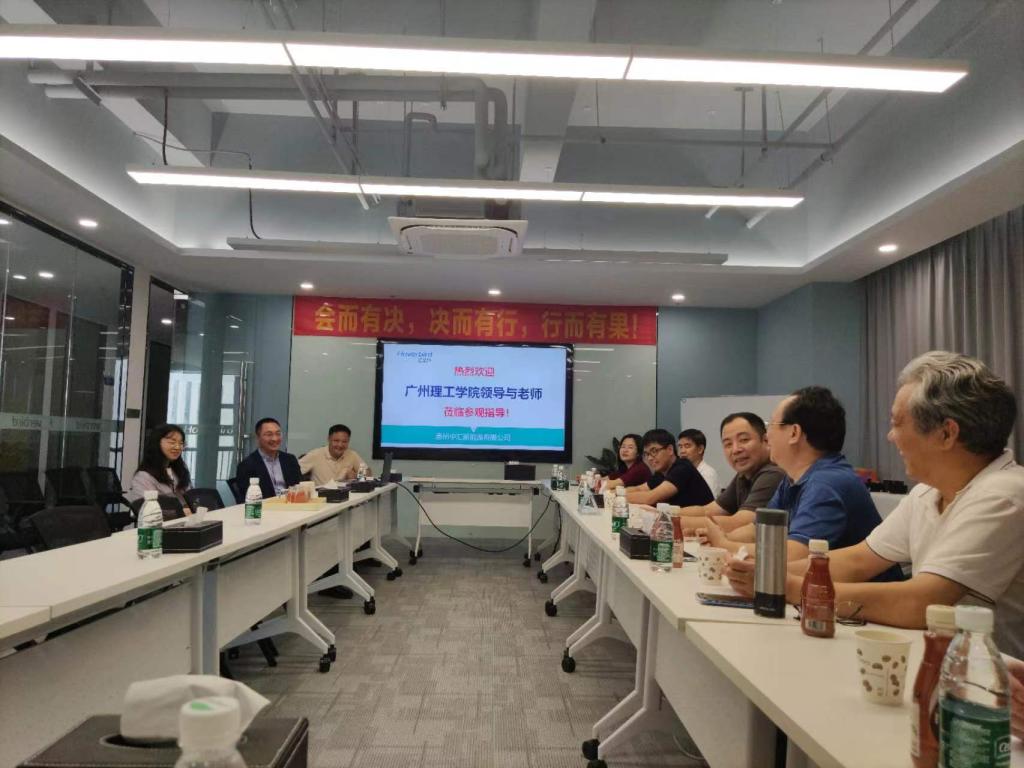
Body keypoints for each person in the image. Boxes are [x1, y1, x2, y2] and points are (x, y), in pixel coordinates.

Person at [725, 352, 1024, 658]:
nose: (890, 436)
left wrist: (786, 586)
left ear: (946, 433)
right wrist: (765, 572)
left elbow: (921, 603)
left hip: (990, 676)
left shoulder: (1002, 495)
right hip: (939, 659)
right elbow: (857, 560)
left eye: (897, 423)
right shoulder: (927, 493)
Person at [702, 387, 894, 568]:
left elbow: (795, 554)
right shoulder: (793, 479)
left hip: (852, 592)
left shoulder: (827, 483)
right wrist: (721, 537)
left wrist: (725, 545)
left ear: (794, 433)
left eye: (771, 426)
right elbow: (757, 530)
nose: (767, 436)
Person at [677, 413, 785, 533]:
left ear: (765, 440)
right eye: (728, 444)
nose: (735, 450)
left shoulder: (773, 473)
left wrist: (669, 521)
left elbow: (738, 523)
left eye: (744, 440)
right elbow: (708, 510)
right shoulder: (743, 475)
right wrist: (668, 512)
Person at [625, 429, 714, 507]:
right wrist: (619, 492)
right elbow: (640, 489)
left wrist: (620, 498)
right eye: (646, 454)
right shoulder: (661, 472)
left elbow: (650, 497)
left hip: (704, 519)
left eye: (654, 451)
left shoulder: (682, 467)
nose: (650, 458)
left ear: (670, 450)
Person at [235, 417, 302, 500]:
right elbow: (249, 498)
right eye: (269, 434)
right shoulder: (247, 465)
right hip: (265, 506)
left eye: (278, 434)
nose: (275, 439)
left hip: (292, 504)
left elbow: (300, 487)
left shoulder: (290, 460)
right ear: (258, 437)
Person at [129, 423, 192, 505]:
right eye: (172, 442)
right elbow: (145, 508)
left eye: (181, 443)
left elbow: (191, 499)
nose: (177, 447)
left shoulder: (181, 470)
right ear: (157, 443)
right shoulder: (143, 476)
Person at [299, 424, 370, 485]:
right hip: (322, 495)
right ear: (328, 439)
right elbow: (294, 470)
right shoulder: (316, 454)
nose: (340, 445)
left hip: (346, 495)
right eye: (336, 441)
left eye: (344, 442)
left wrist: (357, 476)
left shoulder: (352, 454)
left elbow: (368, 472)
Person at [678, 429, 720, 494]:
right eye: (680, 447)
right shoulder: (681, 473)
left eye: (687, 446)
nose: (682, 451)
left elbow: (707, 499)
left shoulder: (708, 474)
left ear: (700, 449)